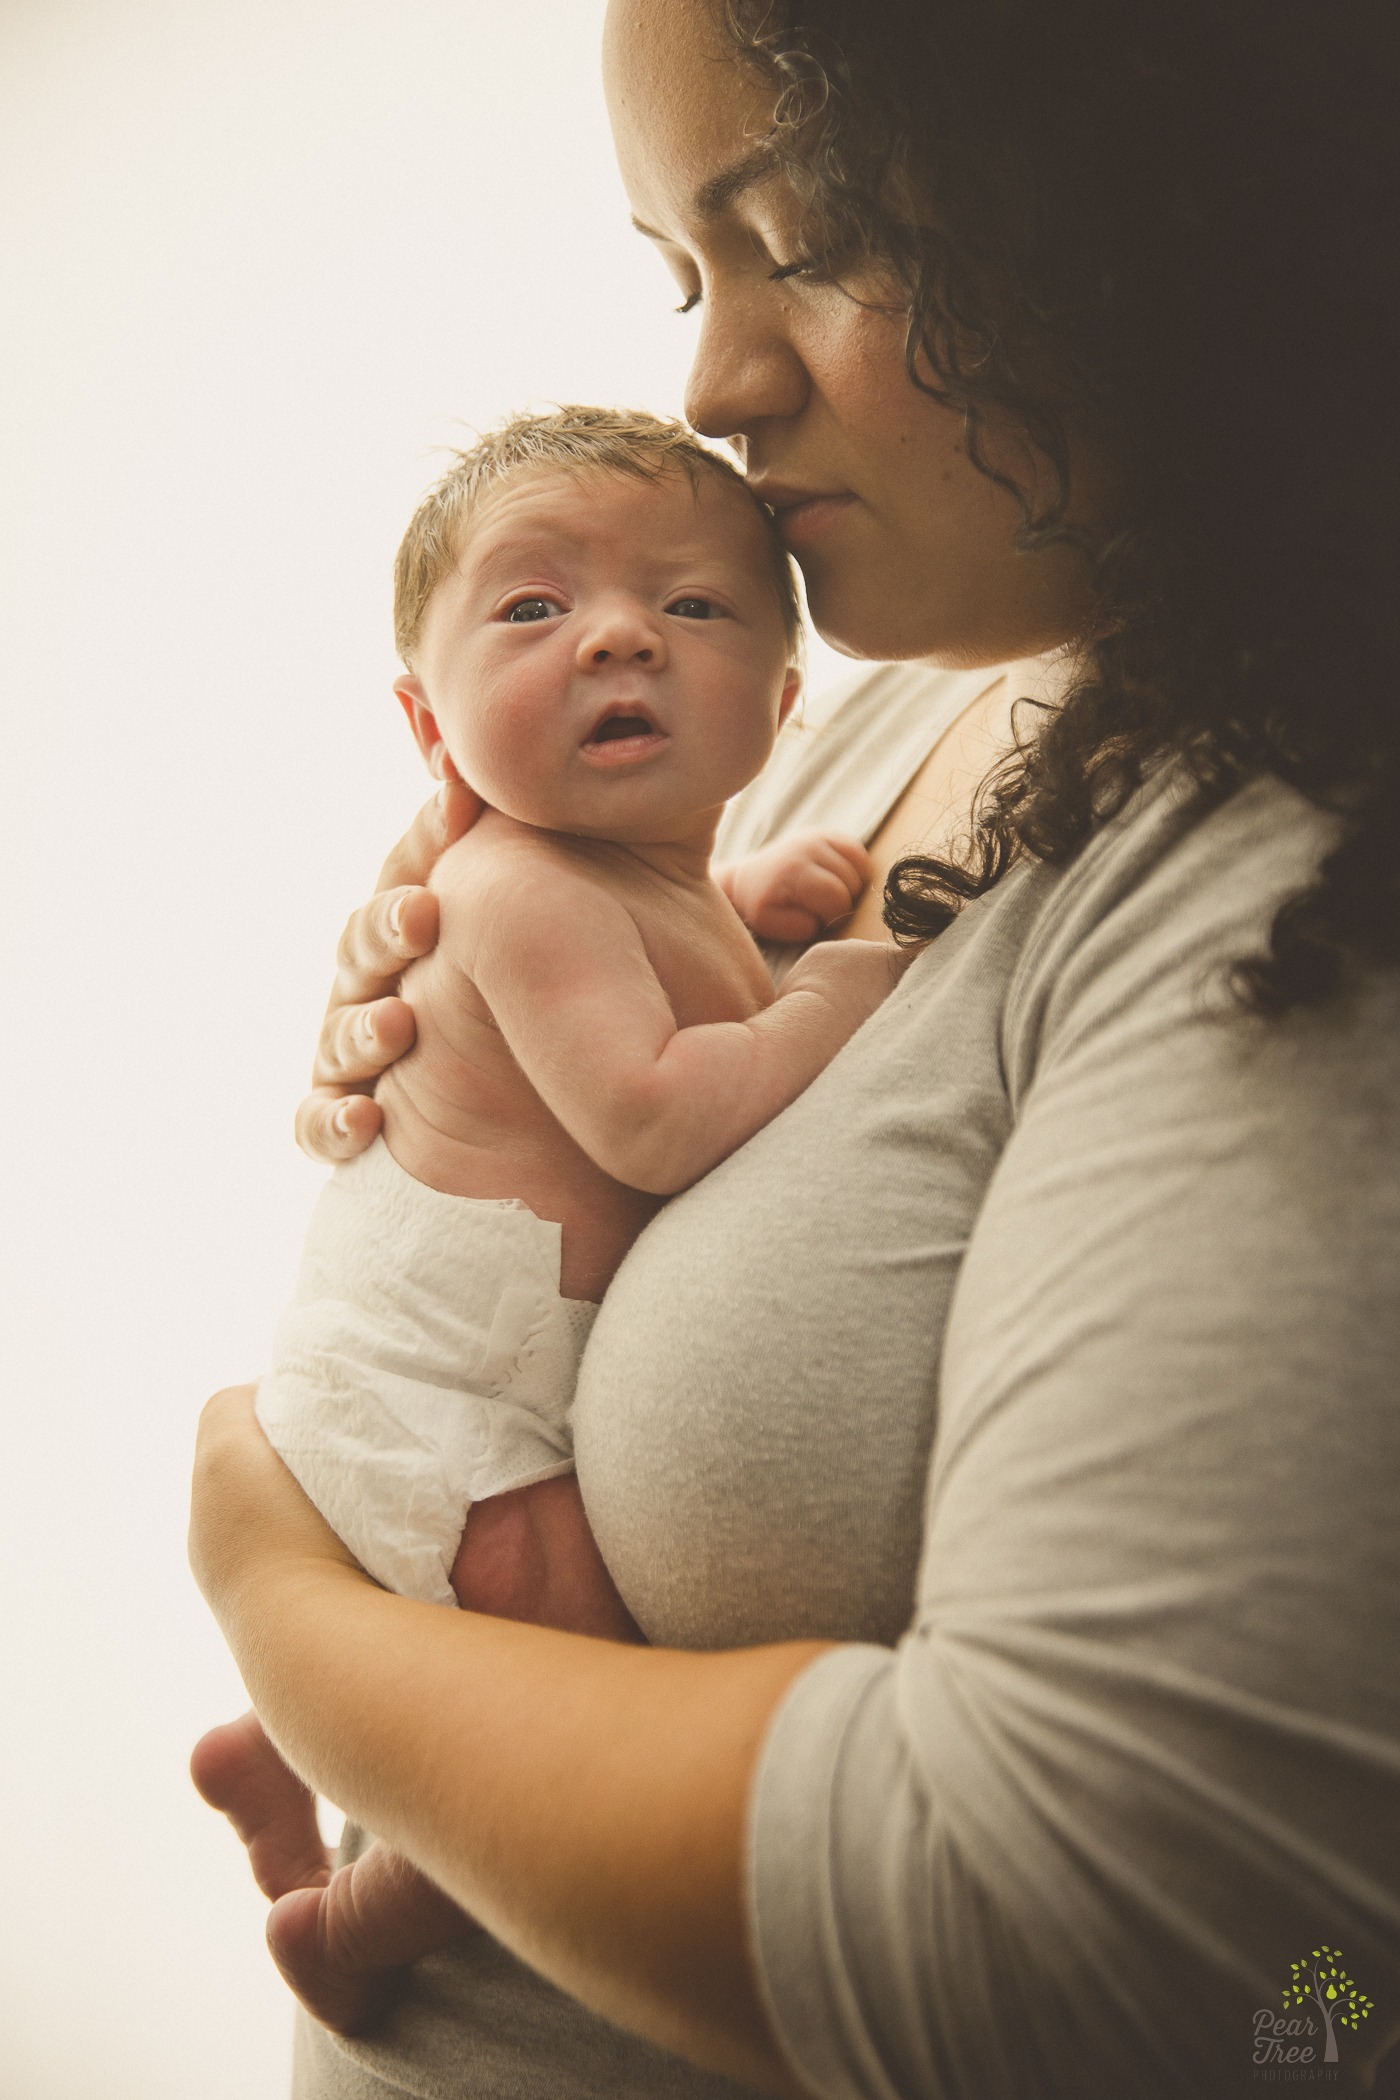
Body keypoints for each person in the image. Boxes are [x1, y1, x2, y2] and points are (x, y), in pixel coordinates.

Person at [189, 1, 1400, 2096]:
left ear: (1157, 203)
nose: (712, 388)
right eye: (683, 271)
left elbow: (1226, 1984)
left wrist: (286, 1604)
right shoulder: (870, 731)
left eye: (816, 234)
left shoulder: (1304, 862)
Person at [191, 403, 902, 2036]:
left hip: (456, 1381)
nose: (619, 636)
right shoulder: (518, 886)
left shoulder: (640, 879)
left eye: (696, 607)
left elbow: (662, 939)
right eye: (533, 606)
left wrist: (753, 905)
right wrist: (825, 1002)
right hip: (448, 1411)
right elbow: (651, 1120)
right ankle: (359, 1921)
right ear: (425, 723)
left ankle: (272, 1754)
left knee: (519, 1682)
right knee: (558, 1708)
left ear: (782, 708)